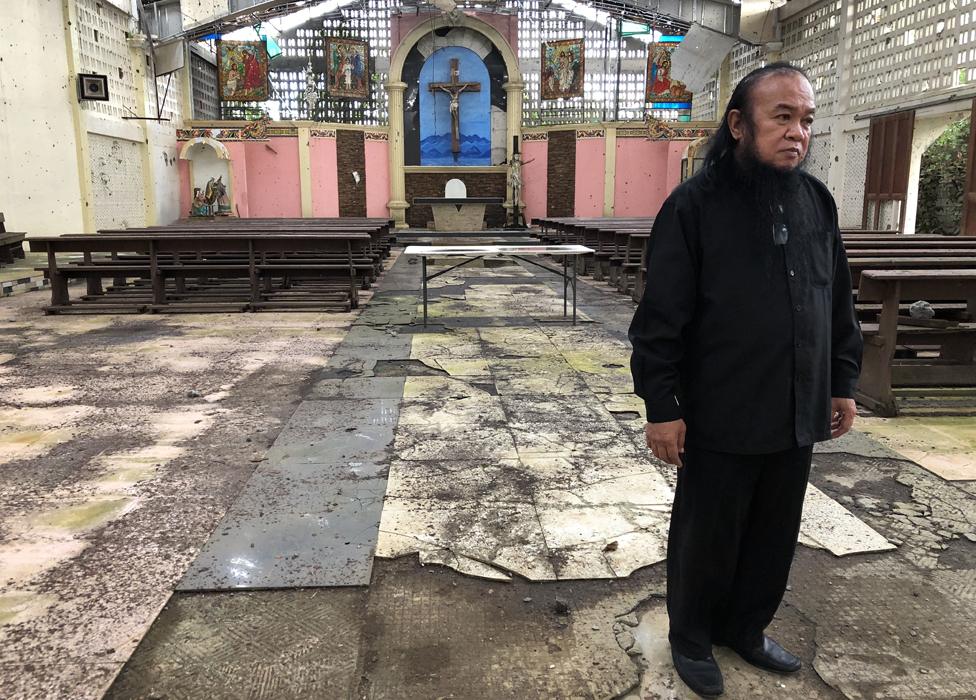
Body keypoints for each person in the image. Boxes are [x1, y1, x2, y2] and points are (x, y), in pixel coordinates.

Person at [628, 63, 862, 697]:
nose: (798, 133)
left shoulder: (815, 201)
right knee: (708, 533)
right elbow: (660, 318)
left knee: (773, 533)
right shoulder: (693, 208)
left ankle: (747, 628)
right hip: (721, 409)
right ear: (738, 124)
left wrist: (842, 380)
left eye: (806, 121)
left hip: (796, 408)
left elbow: (834, 299)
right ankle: (693, 637)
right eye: (782, 117)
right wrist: (663, 404)